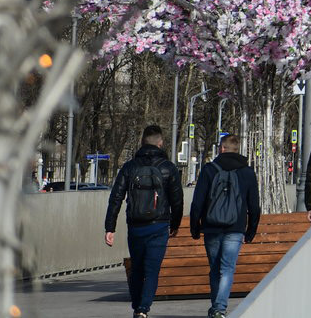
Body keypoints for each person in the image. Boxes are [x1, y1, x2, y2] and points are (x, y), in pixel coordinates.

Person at [104, 124, 183, 318]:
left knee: (137, 269)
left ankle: (136, 305)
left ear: (142, 142)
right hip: (159, 225)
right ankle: (143, 309)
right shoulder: (168, 168)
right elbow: (177, 200)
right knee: (152, 270)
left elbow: (116, 198)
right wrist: (175, 224)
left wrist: (110, 227)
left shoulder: (129, 167)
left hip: (136, 226)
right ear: (160, 143)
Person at [190, 134, 261, 318]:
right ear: (237, 150)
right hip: (235, 228)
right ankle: (219, 309)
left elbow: (197, 202)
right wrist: (251, 231)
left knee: (215, 268)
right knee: (227, 269)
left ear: (222, 148)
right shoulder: (247, 172)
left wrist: (195, 227)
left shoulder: (209, 170)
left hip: (211, 227)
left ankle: (217, 307)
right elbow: (254, 206)